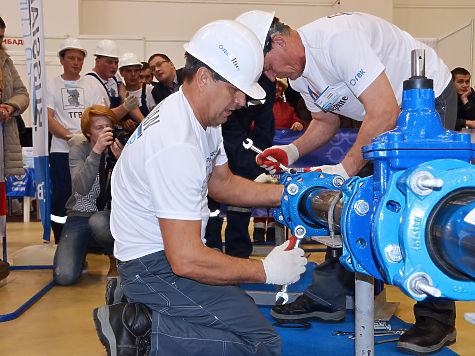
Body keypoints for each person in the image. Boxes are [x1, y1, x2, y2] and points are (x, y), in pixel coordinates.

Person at [238, 10, 457, 355]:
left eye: (267, 67)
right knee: (350, 207)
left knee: (422, 207)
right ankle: (330, 297)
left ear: (278, 41)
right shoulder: (297, 76)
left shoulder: (336, 39)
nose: (271, 76)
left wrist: (343, 171)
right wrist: (291, 152)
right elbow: (326, 121)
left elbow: (384, 112)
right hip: (383, 114)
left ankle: (437, 317)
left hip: (426, 101)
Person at [92, 19, 307, 356]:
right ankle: (139, 331)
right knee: (261, 344)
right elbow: (187, 260)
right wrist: (265, 270)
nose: (239, 101)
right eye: (235, 89)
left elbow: (221, 184)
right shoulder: (177, 142)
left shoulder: (201, 118)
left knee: (238, 318)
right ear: (205, 76)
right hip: (156, 265)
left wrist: (290, 196)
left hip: (161, 257)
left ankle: (143, 308)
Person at [204, 74, 276, 256]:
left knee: (240, 202)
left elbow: (264, 129)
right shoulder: (232, 76)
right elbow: (230, 131)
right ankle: (211, 249)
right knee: (210, 205)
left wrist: (260, 162)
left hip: (242, 147)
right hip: (215, 139)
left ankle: (239, 254)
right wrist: (251, 168)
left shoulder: (268, 82)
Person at [53, 105, 123, 285]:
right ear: (88, 132)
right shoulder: (79, 151)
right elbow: (81, 188)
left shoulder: (119, 149)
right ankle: (80, 251)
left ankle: (115, 257)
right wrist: (97, 152)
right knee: (64, 277)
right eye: (98, 128)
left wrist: (123, 161)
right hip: (79, 216)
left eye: (108, 126)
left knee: (98, 221)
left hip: (108, 217)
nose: (105, 131)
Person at [47, 38, 107, 242]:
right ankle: (62, 241)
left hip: (90, 149)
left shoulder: (92, 85)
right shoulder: (51, 85)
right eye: (71, 58)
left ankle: (90, 242)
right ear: (62, 59)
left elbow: (100, 114)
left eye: (80, 59)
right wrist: (70, 137)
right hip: (61, 150)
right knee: (62, 196)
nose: (76, 62)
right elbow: (47, 118)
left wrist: (87, 138)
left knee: (91, 194)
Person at [0, 16, 29, 177]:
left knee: (6, 194)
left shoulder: (6, 61)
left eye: (1, 37)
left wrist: (9, 107)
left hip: (6, 137)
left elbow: (22, 94)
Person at [118, 52, 156, 131]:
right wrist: (124, 123)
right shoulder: (119, 93)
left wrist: (139, 124)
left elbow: (155, 120)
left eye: (136, 70)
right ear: (121, 72)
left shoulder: (150, 91)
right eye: (128, 71)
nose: (133, 74)